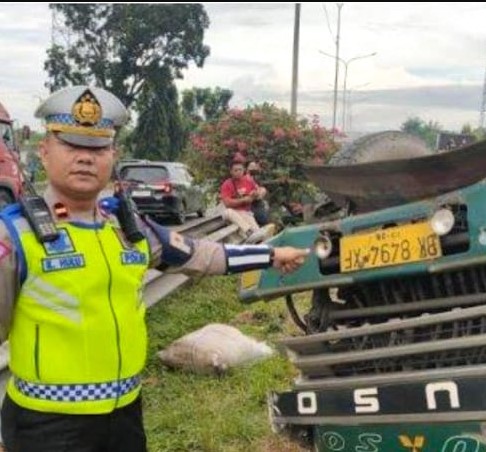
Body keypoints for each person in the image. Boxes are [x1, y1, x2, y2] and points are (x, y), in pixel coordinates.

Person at [0, 85, 308, 452]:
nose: (85, 158)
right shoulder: (15, 236)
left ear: (113, 155)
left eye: (97, 147)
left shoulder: (129, 230)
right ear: (45, 151)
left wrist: (272, 256)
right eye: (71, 145)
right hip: (46, 427)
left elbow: (202, 255)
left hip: (125, 417)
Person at [219, 161, 263, 240]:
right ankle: (248, 231)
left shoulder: (249, 181)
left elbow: (258, 191)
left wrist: (255, 194)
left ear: (244, 170)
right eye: (236, 170)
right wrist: (243, 200)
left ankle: (251, 237)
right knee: (227, 212)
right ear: (231, 172)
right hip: (232, 212)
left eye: (240, 170)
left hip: (245, 213)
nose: (238, 172)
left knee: (258, 234)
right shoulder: (226, 184)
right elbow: (227, 203)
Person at [245, 161, 269, 226]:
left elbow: (260, 191)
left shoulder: (255, 179)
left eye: (255, 167)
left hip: (258, 204)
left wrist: (262, 191)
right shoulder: (246, 179)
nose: (254, 169)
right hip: (252, 206)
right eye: (251, 167)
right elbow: (255, 194)